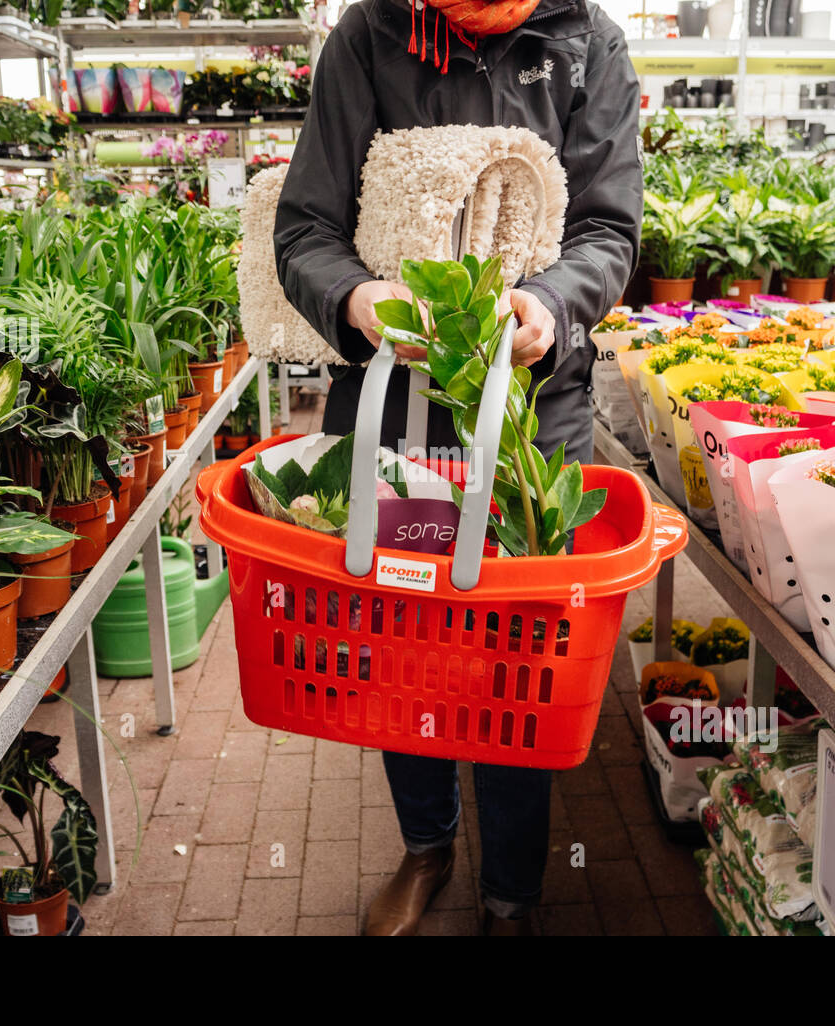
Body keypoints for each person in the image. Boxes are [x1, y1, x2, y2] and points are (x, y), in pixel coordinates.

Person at [274, 0, 643, 936]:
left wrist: (549, 306)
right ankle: (427, 846)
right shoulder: (370, 35)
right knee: (404, 634)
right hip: (394, 397)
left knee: (519, 653)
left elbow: (608, 228)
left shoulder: (585, 43)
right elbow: (305, 226)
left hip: (531, 410)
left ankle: (513, 887)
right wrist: (360, 299)